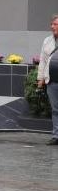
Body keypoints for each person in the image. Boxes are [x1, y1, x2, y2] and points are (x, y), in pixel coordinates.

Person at [37, 14, 58, 145]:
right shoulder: (47, 41)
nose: (52, 27)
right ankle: (56, 136)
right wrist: (40, 79)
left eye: (55, 24)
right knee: (56, 109)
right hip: (52, 81)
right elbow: (43, 61)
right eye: (52, 24)